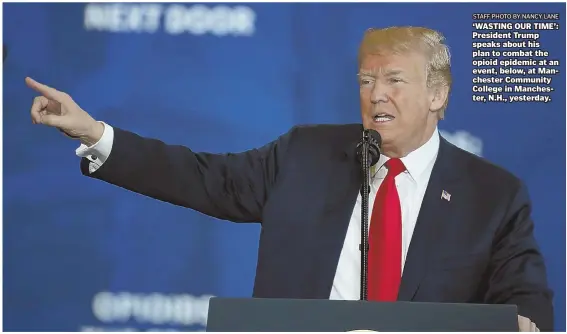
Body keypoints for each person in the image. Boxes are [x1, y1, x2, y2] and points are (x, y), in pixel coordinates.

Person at [26, 26, 552, 331]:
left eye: (394, 80)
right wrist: (96, 132)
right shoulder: (306, 154)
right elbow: (201, 177)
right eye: (367, 81)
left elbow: (527, 304)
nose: (376, 95)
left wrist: (523, 326)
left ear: (438, 95)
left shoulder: (492, 194)